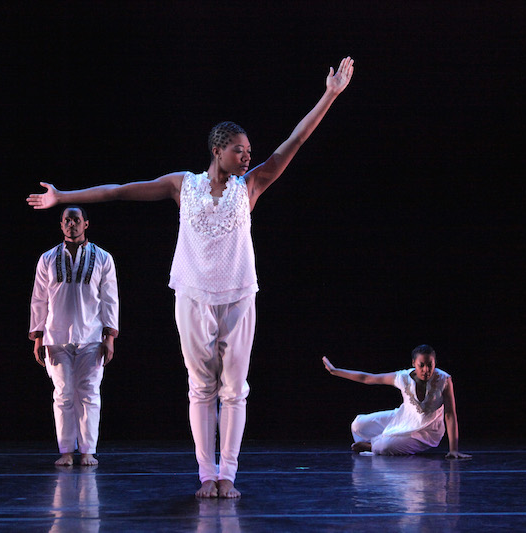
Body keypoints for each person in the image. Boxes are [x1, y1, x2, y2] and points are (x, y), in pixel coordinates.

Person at [27, 56, 355, 497]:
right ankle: (206, 475)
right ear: (217, 150)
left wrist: (330, 95)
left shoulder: (250, 186)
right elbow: (119, 191)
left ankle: (228, 475)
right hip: (193, 297)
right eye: (240, 149)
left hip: (238, 296)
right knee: (201, 388)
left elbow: (293, 141)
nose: (248, 155)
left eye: (249, 150)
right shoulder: (183, 185)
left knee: (234, 390)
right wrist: (64, 195)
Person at [29, 206, 119, 467]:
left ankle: (88, 450)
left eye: (76, 220)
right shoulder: (48, 258)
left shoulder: (103, 258)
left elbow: (110, 299)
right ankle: (66, 450)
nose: (71, 224)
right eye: (67, 220)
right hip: (56, 335)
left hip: (91, 335)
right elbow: (39, 299)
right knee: (63, 394)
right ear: (61, 225)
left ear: (85, 224)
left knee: (89, 393)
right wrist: (38, 336)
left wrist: (110, 337)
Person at [322, 345, 471, 459]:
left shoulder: (444, 380)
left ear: (434, 363)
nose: (426, 370)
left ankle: (372, 446)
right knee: (358, 424)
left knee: (386, 446)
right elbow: (368, 378)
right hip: (402, 418)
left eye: (430, 365)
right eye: (421, 365)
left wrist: (453, 450)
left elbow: (450, 414)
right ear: (414, 363)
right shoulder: (402, 377)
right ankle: (381, 442)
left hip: (426, 431)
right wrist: (335, 371)